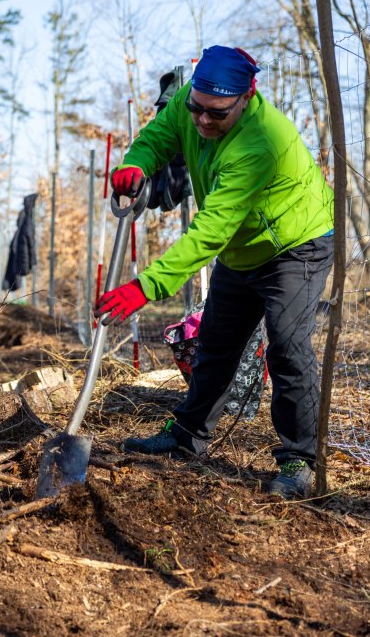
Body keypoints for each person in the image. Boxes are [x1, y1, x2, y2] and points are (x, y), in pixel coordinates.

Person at [94, 45, 334, 499]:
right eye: (197, 108)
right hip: (244, 249)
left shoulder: (260, 142)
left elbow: (211, 231)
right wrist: (135, 163)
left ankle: (299, 459)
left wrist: (147, 286)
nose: (203, 121)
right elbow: (160, 133)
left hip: (295, 245)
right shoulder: (194, 102)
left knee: (285, 343)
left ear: (247, 97)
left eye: (217, 114)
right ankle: (187, 436)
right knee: (217, 343)